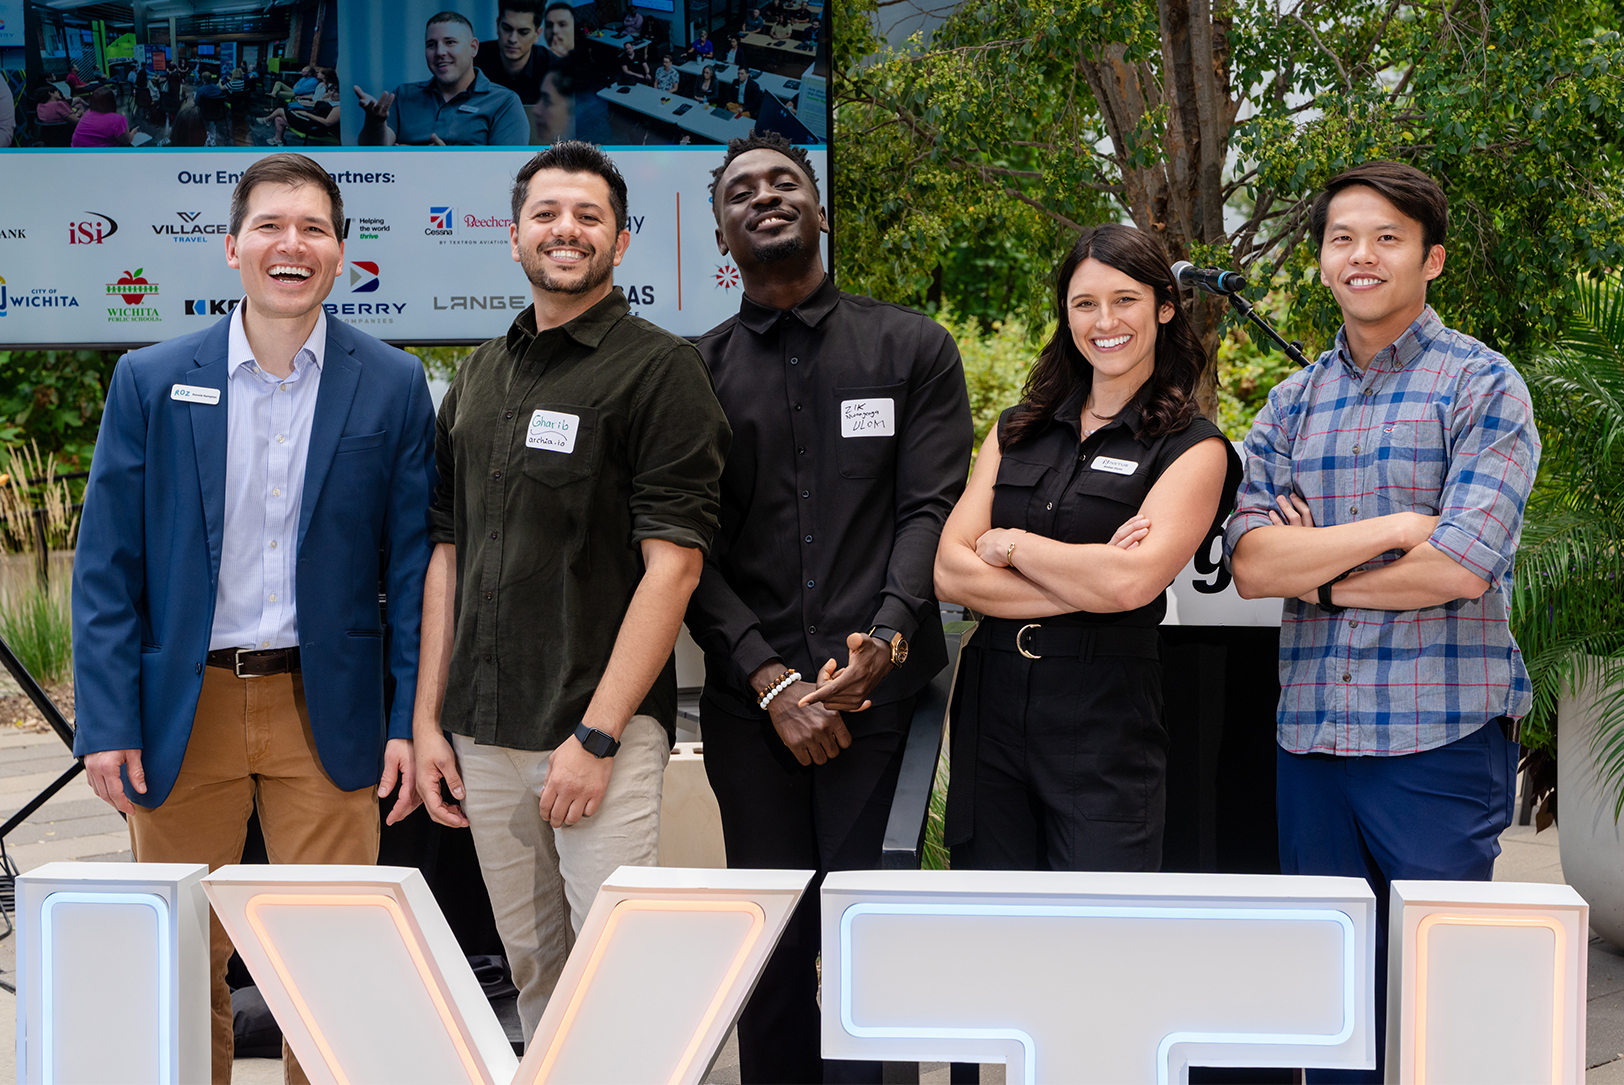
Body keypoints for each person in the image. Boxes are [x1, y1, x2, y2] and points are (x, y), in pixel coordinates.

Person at [73, 152, 436, 1085]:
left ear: (342, 254)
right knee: (187, 955)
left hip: (330, 706)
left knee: (330, 958)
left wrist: (405, 722)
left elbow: (408, 568)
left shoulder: (392, 384)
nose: (293, 244)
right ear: (232, 245)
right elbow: (108, 563)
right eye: (272, 225)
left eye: (314, 228)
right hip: (180, 710)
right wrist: (106, 719)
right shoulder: (152, 380)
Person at [1225, 160, 1539, 1083]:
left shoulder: (1483, 387)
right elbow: (1250, 566)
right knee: (1329, 1009)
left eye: (1387, 238)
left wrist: (1318, 575)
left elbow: (1458, 564)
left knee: (1439, 1006)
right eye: (1342, 238)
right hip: (1312, 745)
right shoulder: (1291, 403)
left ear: (1431, 259)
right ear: (1323, 260)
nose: (1361, 256)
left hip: (1436, 744)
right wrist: (1399, 531)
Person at [412, 140, 730, 1042]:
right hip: (483, 728)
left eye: (589, 216)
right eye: (547, 214)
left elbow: (674, 566)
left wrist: (598, 733)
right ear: (514, 236)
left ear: (622, 242)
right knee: (537, 975)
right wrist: (434, 720)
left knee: (617, 973)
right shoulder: (478, 374)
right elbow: (447, 550)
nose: (567, 230)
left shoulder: (661, 370)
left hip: (597, 731)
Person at [686, 132, 973, 1085]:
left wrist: (886, 640)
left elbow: (928, 508)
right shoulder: (693, 374)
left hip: (881, 708)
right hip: (748, 709)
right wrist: (771, 680)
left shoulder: (913, 348)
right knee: (768, 952)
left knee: (868, 945)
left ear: (820, 212)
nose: (764, 197)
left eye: (784, 182)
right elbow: (690, 550)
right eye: (741, 192)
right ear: (721, 231)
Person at [934, 222, 1239, 879]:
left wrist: (1010, 543)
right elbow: (949, 568)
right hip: (991, 706)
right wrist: (1091, 573)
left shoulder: (1193, 447)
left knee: (1100, 931)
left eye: (1125, 300)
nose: (1106, 321)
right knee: (994, 925)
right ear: (1066, 314)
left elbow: (1131, 586)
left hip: (1104, 712)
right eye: (1085, 303)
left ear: (1164, 306)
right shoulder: (1017, 429)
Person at [355, 11, 528, 146]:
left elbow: (505, 173)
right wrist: (375, 122)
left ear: (473, 48)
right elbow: (374, 153)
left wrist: (444, 160)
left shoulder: (504, 102)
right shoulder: (403, 95)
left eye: (450, 42)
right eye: (431, 45)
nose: (440, 52)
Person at [475, 1, 550, 104]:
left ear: (537, 34)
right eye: (507, 29)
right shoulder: (473, 60)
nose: (513, 39)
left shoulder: (554, 69)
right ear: (497, 25)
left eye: (523, 32)